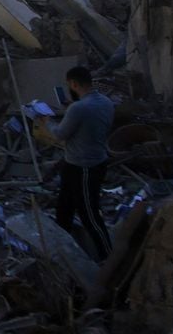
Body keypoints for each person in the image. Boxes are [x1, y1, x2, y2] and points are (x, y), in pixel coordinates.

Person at [39, 66, 114, 260]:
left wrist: (46, 121)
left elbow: (60, 135)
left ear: (73, 83)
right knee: (64, 207)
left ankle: (110, 258)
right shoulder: (105, 102)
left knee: (89, 214)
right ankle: (62, 252)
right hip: (80, 163)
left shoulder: (78, 108)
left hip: (85, 167)